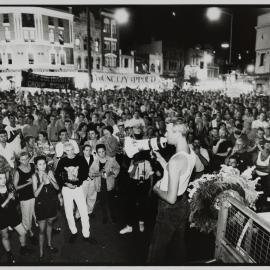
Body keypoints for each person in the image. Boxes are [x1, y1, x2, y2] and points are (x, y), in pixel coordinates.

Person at [147, 121, 196, 265]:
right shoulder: (189, 150)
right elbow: (177, 172)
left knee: (156, 251)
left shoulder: (176, 160)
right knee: (177, 247)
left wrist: (156, 189)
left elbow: (171, 198)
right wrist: (161, 159)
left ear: (177, 133)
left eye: (168, 131)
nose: (165, 134)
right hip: (182, 205)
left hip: (170, 209)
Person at [55, 142, 96, 244]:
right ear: (64, 151)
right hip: (67, 189)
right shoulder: (62, 161)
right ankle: (74, 232)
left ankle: (86, 234)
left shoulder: (80, 159)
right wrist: (66, 184)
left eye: (72, 149)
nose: (70, 152)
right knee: (68, 212)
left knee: (83, 211)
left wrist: (77, 183)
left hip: (78, 188)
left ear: (74, 149)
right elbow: (57, 175)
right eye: (68, 150)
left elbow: (84, 172)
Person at [0, 172, 33, 263]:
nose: (3, 180)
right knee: (5, 236)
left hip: (12, 214)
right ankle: (9, 253)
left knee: (23, 232)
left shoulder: (9, 187)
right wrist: (8, 198)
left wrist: (15, 198)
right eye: (0, 178)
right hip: (2, 217)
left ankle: (23, 248)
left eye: (4, 178)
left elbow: (15, 201)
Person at [32, 156, 59, 261]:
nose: (42, 166)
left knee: (50, 224)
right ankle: (41, 251)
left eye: (44, 164)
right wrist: (43, 182)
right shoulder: (35, 176)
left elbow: (57, 188)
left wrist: (50, 178)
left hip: (51, 204)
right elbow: (35, 194)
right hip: (40, 205)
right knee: (41, 230)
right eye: (40, 164)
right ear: (36, 166)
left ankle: (49, 245)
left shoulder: (50, 172)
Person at [119, 151, 153, 234]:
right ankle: (129, 226)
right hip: (133, 184)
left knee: (143, 204)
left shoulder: (147, 163)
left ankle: (141, 222)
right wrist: (135, 165)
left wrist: (150, 188)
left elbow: (151, 176)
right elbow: (131, 175)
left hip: (144, 184)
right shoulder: (133, 162)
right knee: (130, 205)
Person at [89, 144, 120, 224]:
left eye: (103, 151)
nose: (101, 153)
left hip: (109, 183)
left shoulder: (111, 160)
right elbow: (91, 172)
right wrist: (98, 174)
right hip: (100, 183)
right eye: (99, 152)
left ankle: (113, 216)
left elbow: (117, 168)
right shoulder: (95, 161)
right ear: (97, 153)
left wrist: (111, 173)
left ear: (105, 151)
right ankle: (105, 216)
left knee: (111, 202)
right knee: (102, 201)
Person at [13, 151, 37, 244]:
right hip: (25, 197)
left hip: (35, 193)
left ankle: (37, 227)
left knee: (36, 212)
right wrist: (28, 183)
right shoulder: (18, 171)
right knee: (27, 216)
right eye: (22, 160)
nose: (25, 161)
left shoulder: (32, 165)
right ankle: (30, 233)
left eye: (27, 158)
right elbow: (15, 187)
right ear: (19, 160)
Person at [75, 144, 96, 219]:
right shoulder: (79, 158)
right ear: (83, 151)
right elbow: (77, 171)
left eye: (89, 150)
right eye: (86, 150)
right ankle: (78, 214)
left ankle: (89, 211)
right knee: (81, 197)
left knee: (92, 197)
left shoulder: (94, 158)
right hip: (83, 181)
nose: (88, 152)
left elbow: (97, 169)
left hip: (92, 180)